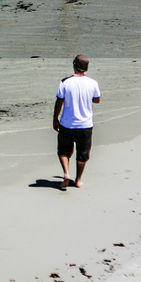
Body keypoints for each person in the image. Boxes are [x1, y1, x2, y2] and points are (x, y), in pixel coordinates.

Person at [52, 54, 101, 189]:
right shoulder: (93, 83)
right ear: (86, 68)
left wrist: (55, 119)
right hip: (85, 125)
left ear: (74, 64)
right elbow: (97, 99)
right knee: (82, 154)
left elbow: (59, 101)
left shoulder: (65, 82)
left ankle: (66, 173)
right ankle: (78, 180)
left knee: (63, 151)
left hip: (67, 123)